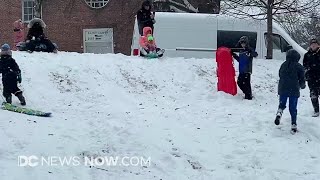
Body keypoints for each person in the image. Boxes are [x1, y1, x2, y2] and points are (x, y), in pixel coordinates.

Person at [275, 49, 305, 133]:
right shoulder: (299, 66)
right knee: (293, 108)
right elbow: (302, 78)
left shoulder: (283, 65)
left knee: (282, 103)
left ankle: (279, 112)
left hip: (283, 88)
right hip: (294, 89)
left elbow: (280, 74)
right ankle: (293, 124)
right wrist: (302, 85)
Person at [303, 38, 320, 117]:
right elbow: (304, 66)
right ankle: (316, 110)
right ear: (310, 46)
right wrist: (306, 74)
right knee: (313, 95)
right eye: (312, 44)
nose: (313, 46)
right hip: (311, 78)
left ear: (318, 45)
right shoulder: (307, 55)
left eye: (315, 44)